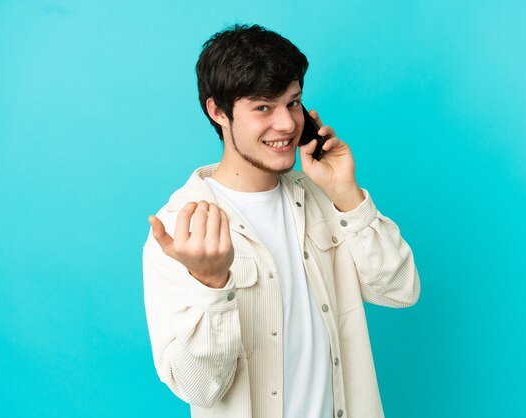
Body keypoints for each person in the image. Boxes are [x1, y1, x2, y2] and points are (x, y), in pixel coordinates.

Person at [142, 24, 420, 418]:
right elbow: (199, 388)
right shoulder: (180, 231)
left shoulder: (324, 198)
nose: (287, 124)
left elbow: (400, 290)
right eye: (262, 108)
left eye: (292, 103)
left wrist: (346, 194)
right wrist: (211, 285)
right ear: (218, 112)